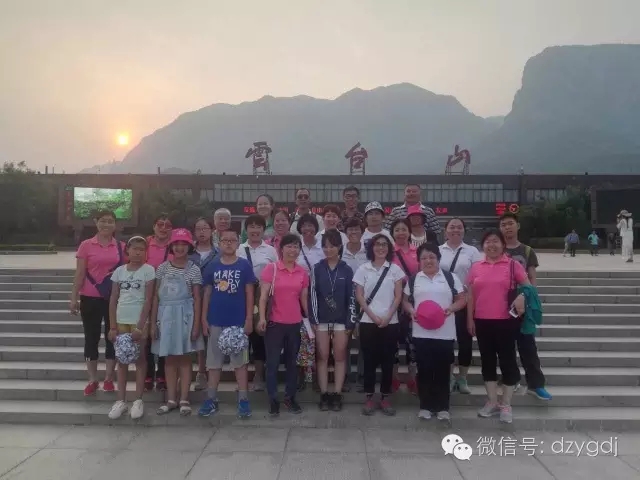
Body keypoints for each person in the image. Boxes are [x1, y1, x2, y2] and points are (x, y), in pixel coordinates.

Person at [466, 229, 530, 424]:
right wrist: (470, 319)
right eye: (488, 242)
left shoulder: (512, 265)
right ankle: (492, 401)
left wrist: (522, 296)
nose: (491, 245)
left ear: (503, 245)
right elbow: (470, 296)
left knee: (508, 361)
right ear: (483, 246)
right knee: (487, 362)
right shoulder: (476, 267)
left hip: (506, 321)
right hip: (482, 321)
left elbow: (528, 288)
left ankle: (506, 403)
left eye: (495, 241)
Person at [402, 242, 466, 421]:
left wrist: (451, 308)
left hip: (445, 333)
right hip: (421, 332)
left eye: (432, 257)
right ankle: (425, 406)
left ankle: (443, 406)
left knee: (443, 370)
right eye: (424, 258)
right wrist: (411, 310)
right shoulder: (414, 279)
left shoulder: (450, 278)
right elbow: (405, 301)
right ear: (419, 261)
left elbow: (462, 299)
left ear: (438, 258)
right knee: (424, 369)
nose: (428, 261)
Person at [198, 229, 255, 419]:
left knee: (240, 363)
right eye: (225, 240)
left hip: (237, 323)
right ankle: (211, 399)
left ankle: (243, 399)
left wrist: (249, 319)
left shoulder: (244, 265)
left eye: (232, 240)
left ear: (238, 243)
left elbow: (249, 293)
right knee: (214, 363)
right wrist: (204, 318)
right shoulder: (212, 266)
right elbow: (207, 294)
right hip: (215, 320)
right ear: (219, 243)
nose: (229, 243)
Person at [70, 210, 125, 396]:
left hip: (114, 299)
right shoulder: (86, 245)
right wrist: (73, 297)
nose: (106, 224)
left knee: (112, 337)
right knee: (91, 338)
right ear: (96, 222)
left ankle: (109, 378)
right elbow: (79, 273)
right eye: (103, 221)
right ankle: (92, 379)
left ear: (115, 225)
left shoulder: (121, 247)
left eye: (110, 221)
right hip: (89, 297)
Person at [499, 212, 551, 401]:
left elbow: (532, 279)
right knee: (505, 347)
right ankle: (511, 380)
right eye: (503, 225)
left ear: (517, 226)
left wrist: (529, 298)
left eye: (510, 223)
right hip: (501, 303)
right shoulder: (496, 249)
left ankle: (536, 385)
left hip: (523, 304)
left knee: (528, 346)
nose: (507, 227)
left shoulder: (527, 251)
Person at [152, 228, 203, 416]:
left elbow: (197, 298)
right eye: (176, 244)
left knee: (185, 359)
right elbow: (155, 297)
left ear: (190, 247)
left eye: (184, 244)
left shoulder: (194, 269)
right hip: (165, 316)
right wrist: (153, 323)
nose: (180, 248)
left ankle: (184, 398)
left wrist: (196, 325)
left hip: (185, 316)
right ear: (171, 246)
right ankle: (171, 399)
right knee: (169, 359)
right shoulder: (162, 268)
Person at [353, 233, 406, 416]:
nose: (381, 248)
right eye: (377, 244)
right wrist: (374, 317)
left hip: (391, 323)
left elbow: (398, 296)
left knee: (388, 361)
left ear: (389, 248)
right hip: (368, 322)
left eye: (384, 244)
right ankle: (369, 397)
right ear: (371, 247)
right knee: (369, 360)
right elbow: (359, 296)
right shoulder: (363, 269)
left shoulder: (395, 270)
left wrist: (388, 316)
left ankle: (385, 397)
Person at [258, 233, 310, 417]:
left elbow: (304, 299)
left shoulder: (302, 272)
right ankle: (273, 399)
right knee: (272, 363)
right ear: (281, 249)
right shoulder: (271, 269)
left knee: (292, 364)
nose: (292, 250)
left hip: (295, 324)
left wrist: (310, 321)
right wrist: (262, 318)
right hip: (274, 324)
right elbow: (263, 297)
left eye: (296, 246)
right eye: (289, 246)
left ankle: (290, 397)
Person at [107, 236, 155, 419]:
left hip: (138, 321)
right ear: (127, 250)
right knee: (122, 360)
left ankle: (138, 400)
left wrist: (141, 326)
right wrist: (112, 326)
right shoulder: (119, 271)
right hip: (121, 320)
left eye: (141, 249)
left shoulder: (148, 271)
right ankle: (121, 401)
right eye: (134, 248)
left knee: (140, 359)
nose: (137, 252)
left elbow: (148, 300)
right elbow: (113, 299)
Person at [309, 229, 355, 411]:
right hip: (321, 320)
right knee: (322, 357)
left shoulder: (347, 269)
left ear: (339, 247)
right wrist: (313, 319)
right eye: (325, 246)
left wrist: (350, 321)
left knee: (340, 357)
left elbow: (351, 297)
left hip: (341, 321)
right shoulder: (317, 268)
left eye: (332, 246)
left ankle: (336, 393)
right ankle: (324, 393)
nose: (328, 250)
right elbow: (312, 295)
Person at [438, 217, 483, 394]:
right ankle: (449, 376)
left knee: (465, 342)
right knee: (446, 342)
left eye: (459, 227)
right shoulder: (438, 250)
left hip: (465, 301)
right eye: (452, 227)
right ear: (445, 231)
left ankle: (463, 377)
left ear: (464, 231)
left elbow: (477, 279)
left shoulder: (472, 251)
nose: (455, 230)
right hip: (443, 302)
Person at [237, 214, 279, 391]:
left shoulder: (270, 250)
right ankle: (241, 378)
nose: (255, 230)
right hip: (241, 298)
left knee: (259, 336)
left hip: (263, 299)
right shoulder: (239, 249)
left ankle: (259, 375)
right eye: (251, 227)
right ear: (246, 230)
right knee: (242, 338)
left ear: (263, 230)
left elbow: (277, 274)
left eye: (258, 227)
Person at [389, 218, 419, 394]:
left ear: (409, 232)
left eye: (404, 229)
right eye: (397, 230)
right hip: (392, 301)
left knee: (412, 341)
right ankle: (393, 377)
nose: (401, 233)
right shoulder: (389, 252)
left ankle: (412, 378)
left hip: (412, 301)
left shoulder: (418, 251)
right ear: (392, 233)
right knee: (392, 341)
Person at [144, 214, 173, 391]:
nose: (163, 228)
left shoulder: (175, 246)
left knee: (164, 335)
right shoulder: (145, 244)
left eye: (167, 225)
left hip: (168, 298)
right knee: (147, 335)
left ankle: (162, 374)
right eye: (160, 224)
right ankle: (148, 373)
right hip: (145, 295)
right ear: (154, 226)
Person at [295, 213, 323, 390]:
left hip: (319, 297)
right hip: (298, 297)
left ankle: (317, 375)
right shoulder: (295, 246)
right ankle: (301, 374)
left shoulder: (323, 246)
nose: (307, 229)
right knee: (302, 335)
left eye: (311, 225)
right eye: (304, 225)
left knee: (318, 335)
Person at [340, 217, 368, 392]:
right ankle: (346, 375)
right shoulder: (340, 251)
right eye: (350, 229)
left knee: (364, 340)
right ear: (345, 232)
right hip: (345, 301)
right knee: (345, 340)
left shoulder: (369, 252)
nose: (353, 232)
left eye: (357, 229)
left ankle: (362, 375)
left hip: (365, 301)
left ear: (362, 231)